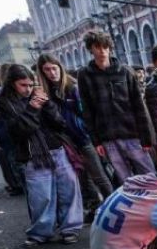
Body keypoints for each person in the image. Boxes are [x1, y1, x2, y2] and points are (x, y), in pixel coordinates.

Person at [0, 65, 83, 246]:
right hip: (32, 153)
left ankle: (70, 229)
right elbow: (20, 130)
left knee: (68, 190)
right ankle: (41, 232)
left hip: (57, 147)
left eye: (30, 85)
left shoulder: (39, 95)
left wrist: (48, 104)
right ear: (12, 84)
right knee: (41, 196)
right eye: (23, 85)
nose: (28, 89)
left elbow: (59, 123)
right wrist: (33, 108)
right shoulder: (5, 102)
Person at [37, 53, 114, 220]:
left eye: (54, 68)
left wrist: (90, 134)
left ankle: (114, 208)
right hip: (65, 141)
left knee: (99, 176)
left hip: (83, 138)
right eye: (47, 70)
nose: (52, 73)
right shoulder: (46, 92)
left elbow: (87, 114)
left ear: (60, 67)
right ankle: (93, 207)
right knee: (81, 177)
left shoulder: (73, 88)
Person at [76, 31, 155, 181]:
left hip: (132, 134)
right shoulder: (85, 75)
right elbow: (87, 111)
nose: (102, 51)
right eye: (97, 47)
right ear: (91, 49)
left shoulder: (124, 71)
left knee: (150, 175)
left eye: (105, 47)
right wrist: (96, 141)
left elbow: (138, 105)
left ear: (110, 48)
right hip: (108, 137)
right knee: (126, 180)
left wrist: (146, 138)